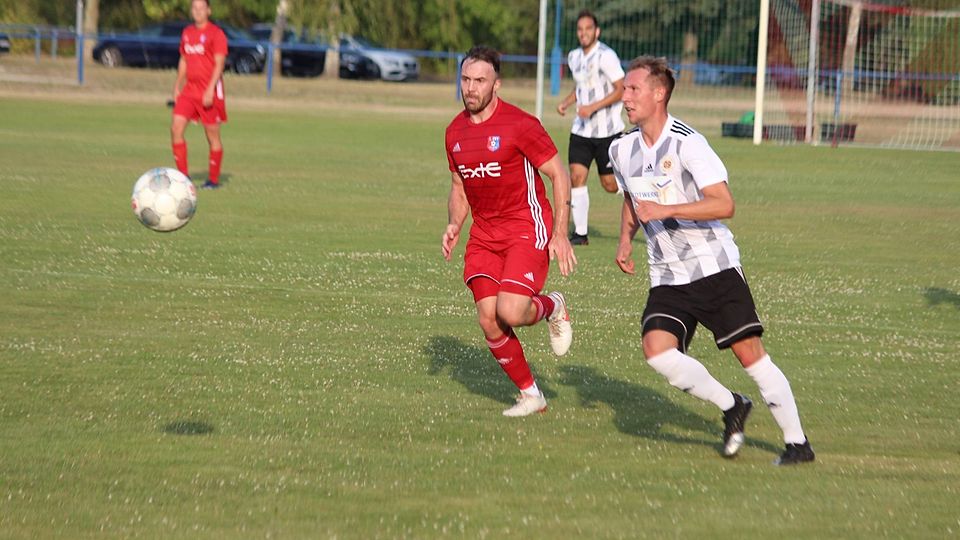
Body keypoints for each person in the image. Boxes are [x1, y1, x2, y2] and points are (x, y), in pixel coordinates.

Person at [610, 56, 815, 465]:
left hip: (713, 266)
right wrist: (624, 240)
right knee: (657, 350)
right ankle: (732, 405)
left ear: (659, 93)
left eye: (633, 89)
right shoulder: (621, 148)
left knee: (749, 355)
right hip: (668, 274)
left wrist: (667, 209)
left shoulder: (688, 143)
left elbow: (724, 203)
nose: (625, 96)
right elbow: (633, 200)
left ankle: (798, 444)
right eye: (624, 89)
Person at [442, 46, 577, 417]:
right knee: (489, 317)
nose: (471, 88)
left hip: (525, 226)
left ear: (496, 84)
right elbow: (459, 187)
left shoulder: (520, 124)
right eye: (466, 79)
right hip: (484, 235)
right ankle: (531, 395)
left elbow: (558, 174)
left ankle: (553, 305)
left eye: (479, 80)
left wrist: (560, 232)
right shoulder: (454, 132)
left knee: (512, 311)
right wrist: (454, 223)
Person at [556, 10, 625, 246]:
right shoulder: (574, 56)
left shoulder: (606, 56)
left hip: (608, 132)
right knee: (576, 177)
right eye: (580, 29)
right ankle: (580, 234)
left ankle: (641, 194)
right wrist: (567, 102)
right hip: (581, 130)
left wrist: (593, 107)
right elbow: (582, 87)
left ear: (597, 31)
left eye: (588, 29)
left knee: (610, 185)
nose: (583, 33)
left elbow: (621, 89)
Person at [171, 0, 228, 189]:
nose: (197, 11)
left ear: (208, 11)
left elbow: (219, 64)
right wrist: (178, 85)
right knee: (176, 128)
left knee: (212, 136)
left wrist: (210, 89)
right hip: (189, 90)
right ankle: (183, 177)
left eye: (201, 8)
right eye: (194, 8)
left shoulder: (216, 33)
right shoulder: (187, 32)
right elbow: (184, 60)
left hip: (209, 91)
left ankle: (213, 180)